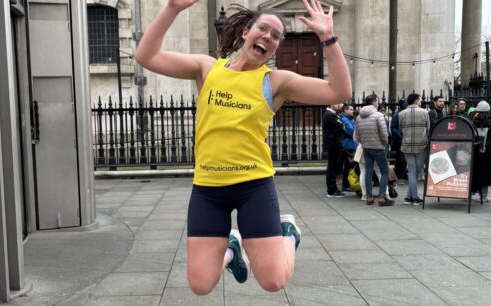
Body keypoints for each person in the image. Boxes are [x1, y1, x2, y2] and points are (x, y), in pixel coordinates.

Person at [135, 0, 351, 294]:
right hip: (209, 189)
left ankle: (288, 234)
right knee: (200, 285)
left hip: (254, 187)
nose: (268, 37)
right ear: (247, 32)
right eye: (263, 29)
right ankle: (232, 250)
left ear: (275, 49)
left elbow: (338, 92)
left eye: (276, 37)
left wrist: (328, 38)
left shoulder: (275, 82)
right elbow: (146, 56)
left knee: (273, 281)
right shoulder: (208, 69)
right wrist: (172, 8)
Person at [353, 94, 394, 206]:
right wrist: (384, 143)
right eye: (377, 101)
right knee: (384, 172)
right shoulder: (378, 116)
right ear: (375, 102)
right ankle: (382, 198)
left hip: (366, 148)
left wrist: (363, 143)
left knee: (368, 173)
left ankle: (369, 198)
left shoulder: (359, 117)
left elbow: (355, 137)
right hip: (378, 148)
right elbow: (384, 134)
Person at [399, 93, 430, 205]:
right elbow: (428, 128)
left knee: (412, 171)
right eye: (420, 100)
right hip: (421, 145)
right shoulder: (424, 112)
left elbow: (400, 129)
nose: (421, 102)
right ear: (416, 101)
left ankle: (409, 197)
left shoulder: (401, 113)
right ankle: (415, 196)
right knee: (416, 172)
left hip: (407, 145)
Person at [323, 103, 346, 197]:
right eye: (337, 103)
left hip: (334, 143)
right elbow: (341, 126)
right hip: (333, 144)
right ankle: (331, 190)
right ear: (331, 104)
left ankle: (333, 189)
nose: (339, 105)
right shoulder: (330, 115)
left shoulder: (332, 114)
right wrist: (341, 124)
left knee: (333, 166)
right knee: (332, 167)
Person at [340, 104, 358, 193]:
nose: (353, 111)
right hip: (348, 146)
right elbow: (351, 131)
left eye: (353, 109)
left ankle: (349, 184)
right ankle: (345, 185)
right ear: (345, 110)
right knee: (348, 166)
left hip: (352, 145)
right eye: (351, 109)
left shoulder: (351, 119)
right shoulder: (344, 119)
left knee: (351, 166)